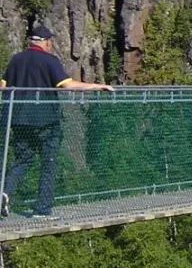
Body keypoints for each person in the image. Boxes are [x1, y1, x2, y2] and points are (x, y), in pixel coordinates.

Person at [1, 26, 113, 218]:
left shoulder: (16, 60)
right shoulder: (50, 61)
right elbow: (68, 85)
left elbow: (3, 87)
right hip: (46, 121)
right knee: (49, 162)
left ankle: (5, 193)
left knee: (22, 160)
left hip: (18, 119)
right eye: (50, 42)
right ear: (46, 42)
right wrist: (97, 86)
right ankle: (42, 209)